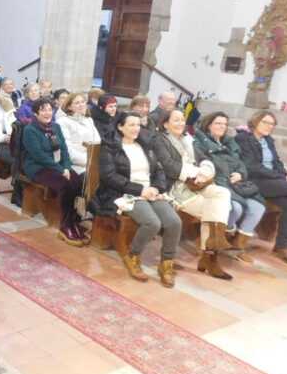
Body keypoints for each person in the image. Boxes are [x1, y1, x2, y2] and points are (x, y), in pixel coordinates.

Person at [91, 113, 181, 287]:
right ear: (120, 127)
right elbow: (109, 176)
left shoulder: (145, 146)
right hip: (125, 193)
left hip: (150, 191)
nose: (136, 129)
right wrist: (140, 190)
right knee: (152, 223)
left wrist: (157, 188)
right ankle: (133, 256)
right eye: (131, 125)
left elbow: (159, 171)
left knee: (174, 222)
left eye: (138, 125)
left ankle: (166, 263)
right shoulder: (110, 148)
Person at [154, 109, 233, 280]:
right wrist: (195, 173)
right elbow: (169, 166)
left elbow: (205, 159)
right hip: (176, 186)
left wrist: (205, 171)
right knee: (213, 209)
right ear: (166, 124)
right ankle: (210, 257)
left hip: (197, 183)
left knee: (222, 193)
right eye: (176, 120)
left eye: (183, 120)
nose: (181, 123)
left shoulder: (188, 139)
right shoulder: (160, 140)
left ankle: (210, 253)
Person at [195, 112, 266, 262]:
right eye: (218, 123)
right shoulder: (200, 142)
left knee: (258, 207)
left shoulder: (229, 143)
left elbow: (241, 164)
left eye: (225, 124)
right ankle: (217, 240)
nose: (222, 126)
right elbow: (206, 164)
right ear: (208, 125)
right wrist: (226, 175)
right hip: (217, 183)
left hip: (236, 184)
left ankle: (238, 246)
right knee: (235, 208)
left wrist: (240, 174)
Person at [21, 97, 85, 245]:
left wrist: (67, 166)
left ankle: (73, 220)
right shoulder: (30, 130)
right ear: (36, 113)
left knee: (78, 182)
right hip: (38, 167)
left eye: (50, 109)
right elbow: (39, 155)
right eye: (43, 110)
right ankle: (65, 225)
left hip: (59, 165)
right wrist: (61, 170)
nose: (47, 113)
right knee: (66, 185)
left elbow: (64, 149)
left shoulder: (56, 127)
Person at [235, 111, 287, 262]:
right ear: (255, 121)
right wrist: (282, 178)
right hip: (254, 181)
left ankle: (281, 247)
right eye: (265, 122)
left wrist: (282, 173)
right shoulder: (243, 138)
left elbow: (277, 162)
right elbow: (251, 166)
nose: (269, 126)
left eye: (272, 124)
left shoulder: (268, 140)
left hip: (273, 182)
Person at [56, 92, 101, 177]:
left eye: (83, 102)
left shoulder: (88, 120)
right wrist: (88, 161)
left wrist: (97, 160)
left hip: (94, 162)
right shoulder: (62, 122)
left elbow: (97, 141)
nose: (81, 105)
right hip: (76, 166)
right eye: (77, 103)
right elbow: (67, 149)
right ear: (69, 107)